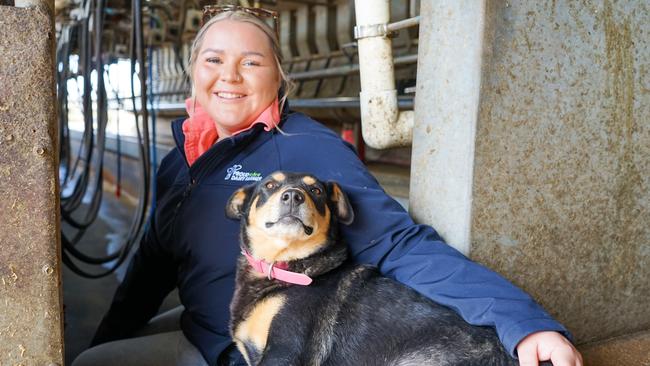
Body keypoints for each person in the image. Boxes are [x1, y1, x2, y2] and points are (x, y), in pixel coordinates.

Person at [72, 6, 583, 366]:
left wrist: (523, 322)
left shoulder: (309, 150)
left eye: (251, 61)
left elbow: (401, 245)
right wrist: (109, 330)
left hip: (262, 345)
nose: (229, 75)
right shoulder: (178, 159)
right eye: (213, 60)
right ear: (193, 73)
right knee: (96, 354)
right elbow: (151, 267)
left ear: (279, 77)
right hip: (210, 324)